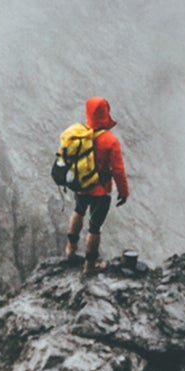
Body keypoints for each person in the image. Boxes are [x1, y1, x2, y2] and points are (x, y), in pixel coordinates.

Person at [64, 96, 129, 272]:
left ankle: (70, 250)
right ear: (106, 113)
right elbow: (118, 170)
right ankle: (90, 265)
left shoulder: (81, 134)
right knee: (95, 227)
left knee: (78, 212)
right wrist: (123, 192)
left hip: (81, 186)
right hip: (100, 191)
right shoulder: (110, 140)